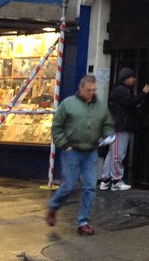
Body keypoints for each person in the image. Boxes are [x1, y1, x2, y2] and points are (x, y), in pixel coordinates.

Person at [46, 75, 115, 236]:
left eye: (94, 90)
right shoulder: (68, 104)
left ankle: (83, 222)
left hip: (91, 150)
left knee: (90, 187)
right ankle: (54, 206)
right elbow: (57, 126)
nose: (92, 93)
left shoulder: (100, 106)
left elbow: (107, 124)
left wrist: (108, 135)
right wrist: (65, 145)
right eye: (89, 90)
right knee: (69, 185)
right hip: (72, 150)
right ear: (81, 88)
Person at [99, 67, 149, 191]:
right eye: (132, 77)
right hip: (120, 127)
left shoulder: (119, 90)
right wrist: (144, 93)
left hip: (116, 125)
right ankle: (116, 180)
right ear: (126, 79)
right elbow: (130, 103)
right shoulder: (121, 90)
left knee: (112, 153)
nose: (134, 79)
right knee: (118, 153)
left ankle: (106, 180)